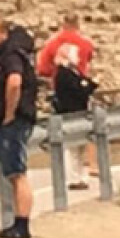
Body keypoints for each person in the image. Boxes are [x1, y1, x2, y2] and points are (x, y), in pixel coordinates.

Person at [0, 17, 40, 238]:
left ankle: (22, 225)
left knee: (17, 174)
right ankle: (17, 222)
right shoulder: (5, 55)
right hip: (13, 120)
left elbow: (15, 82)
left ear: (3, 33)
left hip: (14, 121)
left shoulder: (10, 56)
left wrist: (9, 113)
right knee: (14, 172)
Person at [38, 13, 97, 176]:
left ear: (62, 24)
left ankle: (72, 172)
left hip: (61, 90)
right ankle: (88, 166)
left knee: (64, 129)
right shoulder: (85, 44)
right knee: (87, 126)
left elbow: (42, 68)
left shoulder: (53, 43)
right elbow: (89, 59)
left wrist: (53, 73)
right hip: (81, 89)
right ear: (78, 25)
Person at [52, 43, 99, 190]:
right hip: (70, 114)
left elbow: (84, 85)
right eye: (76, 54)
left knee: (80, 147)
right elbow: (79, 89)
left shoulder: (73, 71)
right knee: (72, 148)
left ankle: (80, 176)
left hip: (79, 113)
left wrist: (88, 85)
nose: (78, 57)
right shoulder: (63, 73)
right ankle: (73, 178)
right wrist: (88, 85)